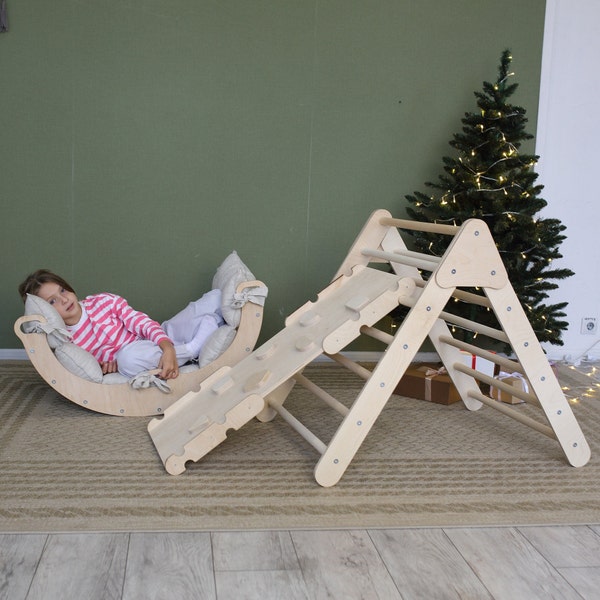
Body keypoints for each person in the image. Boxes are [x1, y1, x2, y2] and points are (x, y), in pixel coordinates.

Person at [18, 269, 223, 380]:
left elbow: (138, 321)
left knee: (215, 298)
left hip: (159, 338)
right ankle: (193, 348)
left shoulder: (102, 301)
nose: (63, 300)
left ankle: (195, 336)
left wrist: (166, 346)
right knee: (128, 358)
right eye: (52, 301)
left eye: (62, 290)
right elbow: (99, 365)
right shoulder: (67, 342)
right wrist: (106, 367)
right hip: (137, 357)